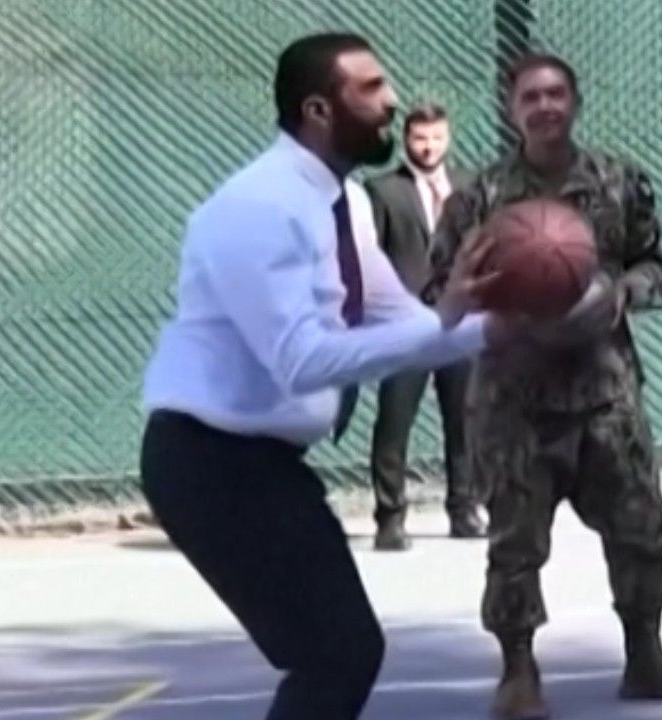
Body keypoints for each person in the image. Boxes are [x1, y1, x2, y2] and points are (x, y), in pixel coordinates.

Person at [139, 33, 509, 720]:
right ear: (317, 110)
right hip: (209, 463)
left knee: (341, 652)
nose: (392, 101)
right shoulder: (258, 207)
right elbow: (302, 361)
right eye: (370, 88)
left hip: (260, 465)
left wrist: (515, 327)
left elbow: (404, 321)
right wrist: (451, 320)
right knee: (338, 652)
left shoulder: (347, 203)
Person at [426, 52, 662, 719]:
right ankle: (518, 672)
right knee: (515, 543)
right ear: (511, 110)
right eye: (530, 96)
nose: (545, 106)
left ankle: (646, 657)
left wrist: (623, 291)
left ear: (576, 101)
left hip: (605, 394)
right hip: (513, 399)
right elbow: (436, 289)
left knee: (641, 529)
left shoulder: (620, 182)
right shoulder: (478, 198)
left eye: (556, 94)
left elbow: (656, 263)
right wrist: (492, 307)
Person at [364, 103, 484, 550]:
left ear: (448, 138)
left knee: (464, 419)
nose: (429, 147)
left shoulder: (471, 187)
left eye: (436, 137)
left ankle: (464, 509)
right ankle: (390, 517)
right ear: (406, 140)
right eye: (420, 138)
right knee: (395, 421)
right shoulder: (383, 190)